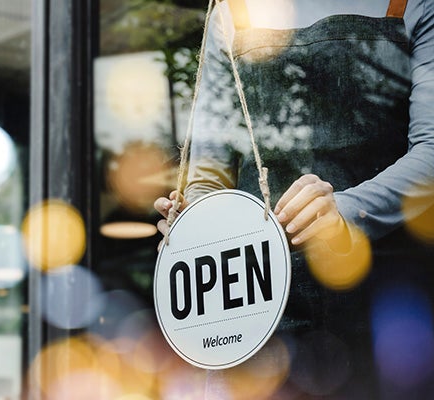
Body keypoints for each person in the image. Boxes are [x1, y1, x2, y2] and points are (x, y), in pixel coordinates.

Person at [154, 0, 434, 396]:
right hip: (256, 309)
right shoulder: (231, 13)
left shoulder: (413, 4)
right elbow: (209, 176)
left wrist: (348, 210)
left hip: (387, 305)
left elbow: (432, 150)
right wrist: (194, 220)